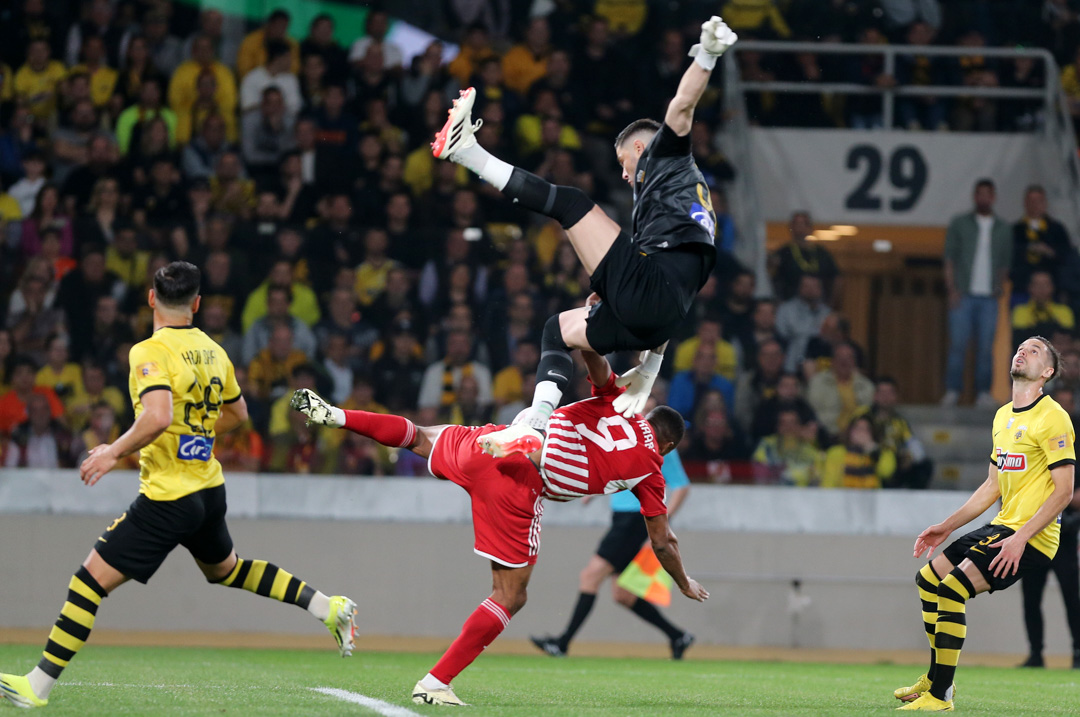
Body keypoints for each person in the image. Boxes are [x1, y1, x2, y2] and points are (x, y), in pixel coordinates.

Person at [0, 262, 358, 709]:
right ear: (197, 303)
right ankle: (326, 606)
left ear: (152, 298)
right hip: (208, 489)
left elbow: (158, 416)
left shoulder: (149, 351)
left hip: (169, 496)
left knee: (88, 583)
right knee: (227, 570)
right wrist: (197, 433)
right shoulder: (215, 351)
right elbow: (238, 414)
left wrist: (112, 452)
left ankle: (37, 686)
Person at [291, 338, 709, 706]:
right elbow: (662, 541)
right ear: (669, 445)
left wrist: (592, 333)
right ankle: (435, 682)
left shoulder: (620, 403)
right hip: (520, 486)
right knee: (510, 595)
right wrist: (683, 581)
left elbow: (594, 362)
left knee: (418, 436)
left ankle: (338, 415)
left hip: (488, 445)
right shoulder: (652, 469)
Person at [434, 17, 739, 457]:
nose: (623, 174)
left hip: (651, 292)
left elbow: (681, 107)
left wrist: (706, 55)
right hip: (661, 317)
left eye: (623, 162)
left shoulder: (666, 159)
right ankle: (537, 422)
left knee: (572, 203)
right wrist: (650, 368)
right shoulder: (683, 204)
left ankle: (467, 151)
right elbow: (677, 285)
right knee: (556, 330)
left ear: (641, 149)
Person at [895, 336, 1075, 711]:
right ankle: (936, 678)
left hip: (1033, 538)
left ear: (1047, 372)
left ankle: (941, 694)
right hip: (1002, 526)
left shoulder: (1053, 417)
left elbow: (1064, 492)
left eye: (1035, 351)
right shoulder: (1002, 416)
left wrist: (1021, 538)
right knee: (928, 581)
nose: (1023, 351)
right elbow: (992, 486)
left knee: (951, 589)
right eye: (1021, 347)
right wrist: (947, 525)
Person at [530, 443, 695, 659]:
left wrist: (661, 525)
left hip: (634, 521)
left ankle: (562, 643)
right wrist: (594, 490)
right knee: (623, 595)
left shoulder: (662, 445)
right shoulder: (631, 438)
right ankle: (678, 636)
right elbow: (617, 471)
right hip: (622, 519)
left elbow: (682, 486)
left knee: (590, 576)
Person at [942, 178, 1012, 408]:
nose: (983, 198)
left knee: (986, 348)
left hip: (989, 297)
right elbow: (950, 258)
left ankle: (983, 392)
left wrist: (1000, 286)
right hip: (963, 294)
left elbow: (1004, 262)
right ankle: (953, 390)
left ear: (993, 197)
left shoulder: (1003, 228)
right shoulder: (960, 223)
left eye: (987, 194)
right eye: (980, 194)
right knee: (958, 345)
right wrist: (952, 290)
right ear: (975, 196)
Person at [1019, 490, 1080, 669]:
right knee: (1031, 600)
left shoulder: (1072, 471)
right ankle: (1035, 654)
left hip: (1065, 543)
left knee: (1072, 601)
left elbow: (1073, 497)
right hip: (1035, 541)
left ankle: (1078, 652)